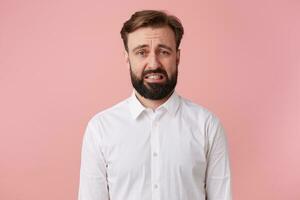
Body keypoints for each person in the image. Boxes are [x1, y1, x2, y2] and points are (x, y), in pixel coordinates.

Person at [78, 10, 231, 200]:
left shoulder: (207, 126)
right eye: (141, 52)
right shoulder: (100, 129)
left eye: (164, 52)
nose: (153, 63)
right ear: (127, 58)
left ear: (177, 57)